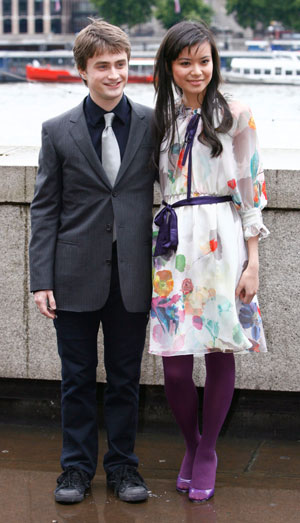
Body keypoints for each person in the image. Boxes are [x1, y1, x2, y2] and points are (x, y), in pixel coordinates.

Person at [29, 19, 157, 504]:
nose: (113, 74)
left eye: (121, 65)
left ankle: (124, 468)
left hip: (132, 278)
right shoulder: (56, 130)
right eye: (102, 66)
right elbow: (45, 207)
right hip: (72, 276)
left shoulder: (151, 122)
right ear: (82, 70)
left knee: (126, 380)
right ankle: (75, 471)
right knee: (76, 379)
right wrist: (41, 278)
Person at [149, 20, 269, 503]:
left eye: (204, 60)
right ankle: (191, 443)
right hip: (174, 248)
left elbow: (251, 191)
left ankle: (208, 451)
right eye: (185, 62)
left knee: (220, 351)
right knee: (174, 366)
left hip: (223, 241)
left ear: (214, 63)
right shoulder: (160, 120)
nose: (196, 70)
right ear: (170, 67)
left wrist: (253, 262)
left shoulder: (237, 114)